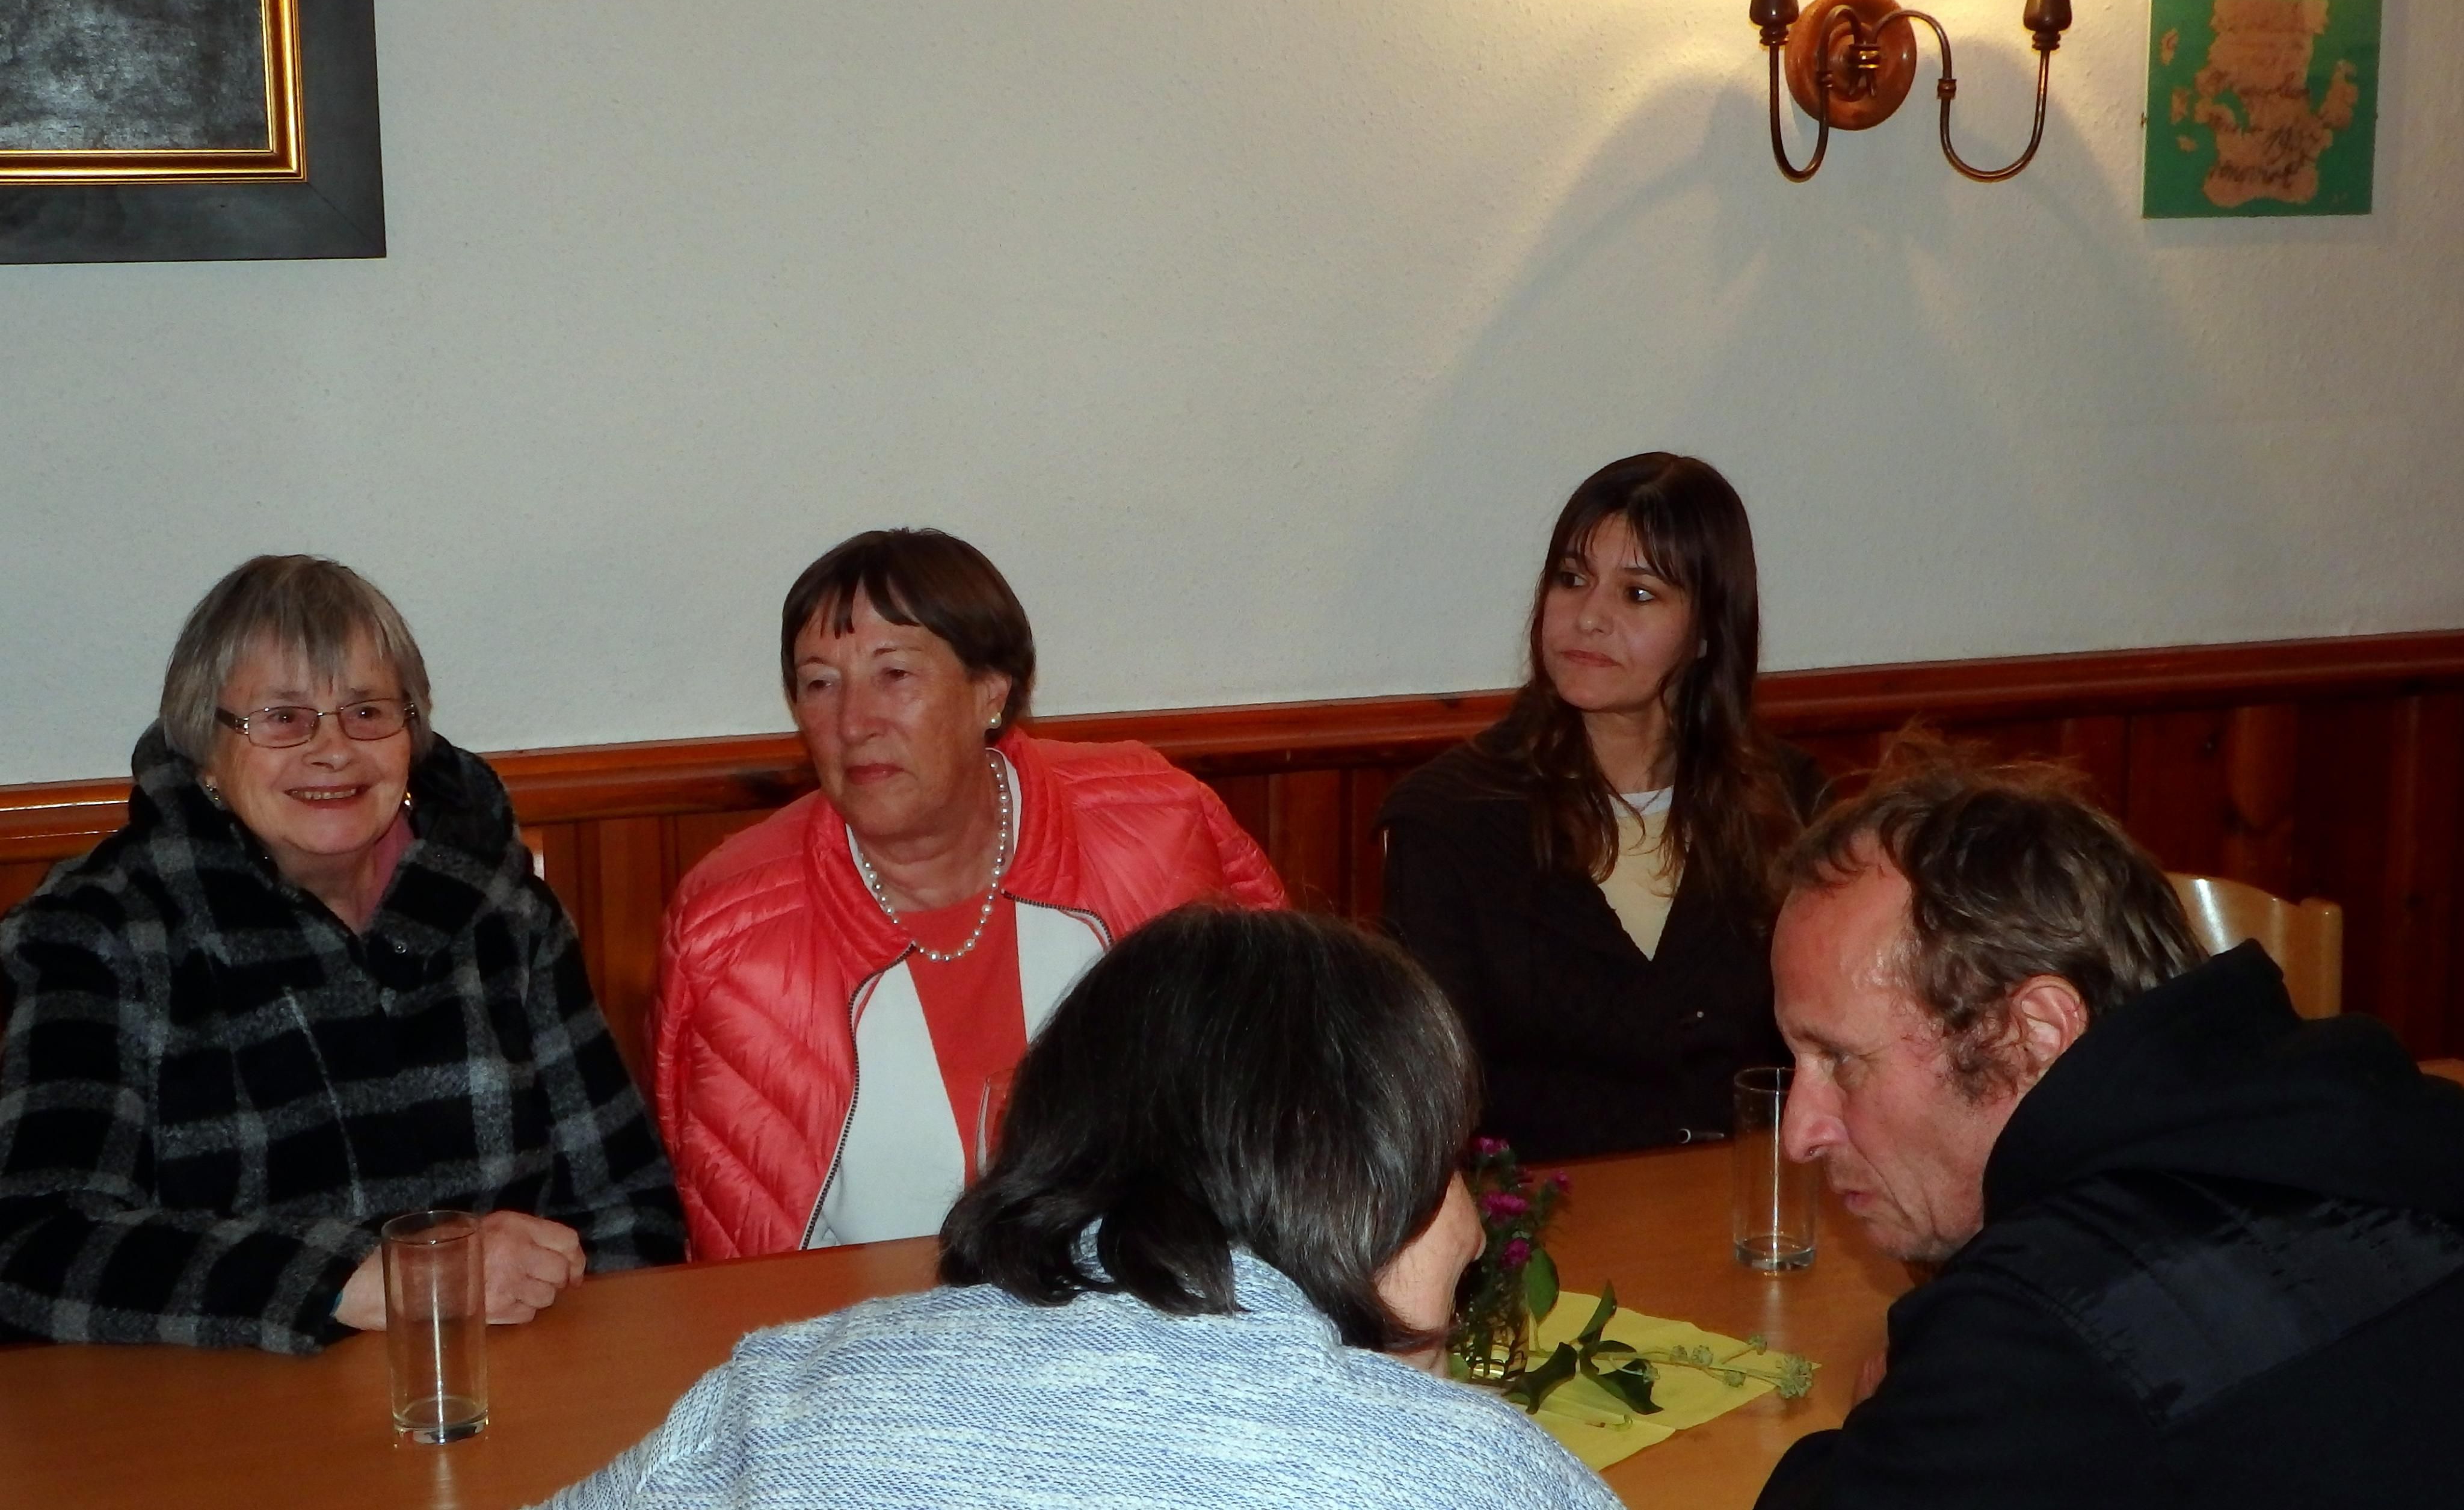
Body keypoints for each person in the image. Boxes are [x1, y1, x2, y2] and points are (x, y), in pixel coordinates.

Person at [550, 905, 1621, 1510]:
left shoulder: (782, 1395)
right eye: (1443, 1162)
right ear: (1338, 1168)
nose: (1473, 1223)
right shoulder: (1471, 1477)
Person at [0, 556, 683, 1355]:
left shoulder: (504, 911)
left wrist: (586, 1361)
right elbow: (34, 1246)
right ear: (206, 752)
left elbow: (629, 1209)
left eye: (366, 712)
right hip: (226, 1412)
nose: (333, 750)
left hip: (506, 1390)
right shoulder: (100, 932)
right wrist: (356, 1278)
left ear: (412, 736)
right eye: (282, 718)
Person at [1755, 739, 2464, 1510]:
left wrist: (1880, 1422)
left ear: (2032, 1033)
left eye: (1840, 1059)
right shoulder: (2404, 1118)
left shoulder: (2034, 1331)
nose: (1800, 1135)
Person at [652, 529, 1284, 1259]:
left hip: (1159, 1294)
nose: (853, 723)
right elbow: (736, 1252)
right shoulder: (732, 931)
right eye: (820, 683)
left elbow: (1285, 1082)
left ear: (991, 690)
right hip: (864, 1322)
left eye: (894, 674)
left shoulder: (1158, 829)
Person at [1378, 452, 1821, 1158]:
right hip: (1542, 1213)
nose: (1588, 618)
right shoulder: (1447, 818)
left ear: (1708, 629)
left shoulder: (1790, 801)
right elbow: (1428, 1097)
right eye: (1571, 579)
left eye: (1638, 594)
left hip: (1749, 1198)